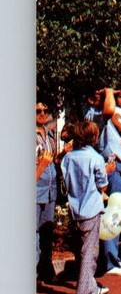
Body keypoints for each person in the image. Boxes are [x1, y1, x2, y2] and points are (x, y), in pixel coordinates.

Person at [60, 120, 111, 294]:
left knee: (81, 250)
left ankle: (89, 284)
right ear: (94, 138)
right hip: (91, 208)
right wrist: (107, 170)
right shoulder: (95, 158)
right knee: (90, 251)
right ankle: (85, 292)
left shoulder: (68, 158)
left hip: (75, 209)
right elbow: (102, 185)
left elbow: (66, 184)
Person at [86, 85, 121, 278]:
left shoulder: (106, 115)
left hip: (120, 166)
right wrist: (109, 92)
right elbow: (108, 110)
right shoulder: (96, 114)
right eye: (104, 95)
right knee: (111, 215)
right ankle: (110, 261)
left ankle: (112, 257)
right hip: (111, 167)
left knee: (116, 213)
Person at [36, 98, 59, 284]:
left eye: (45, 110)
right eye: (38, 111)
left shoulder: (49, 134)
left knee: (47, 231)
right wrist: (42, 166)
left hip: (50, 189)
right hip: (36, 191)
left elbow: (53, 161)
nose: (42, 114)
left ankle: (45, 269)